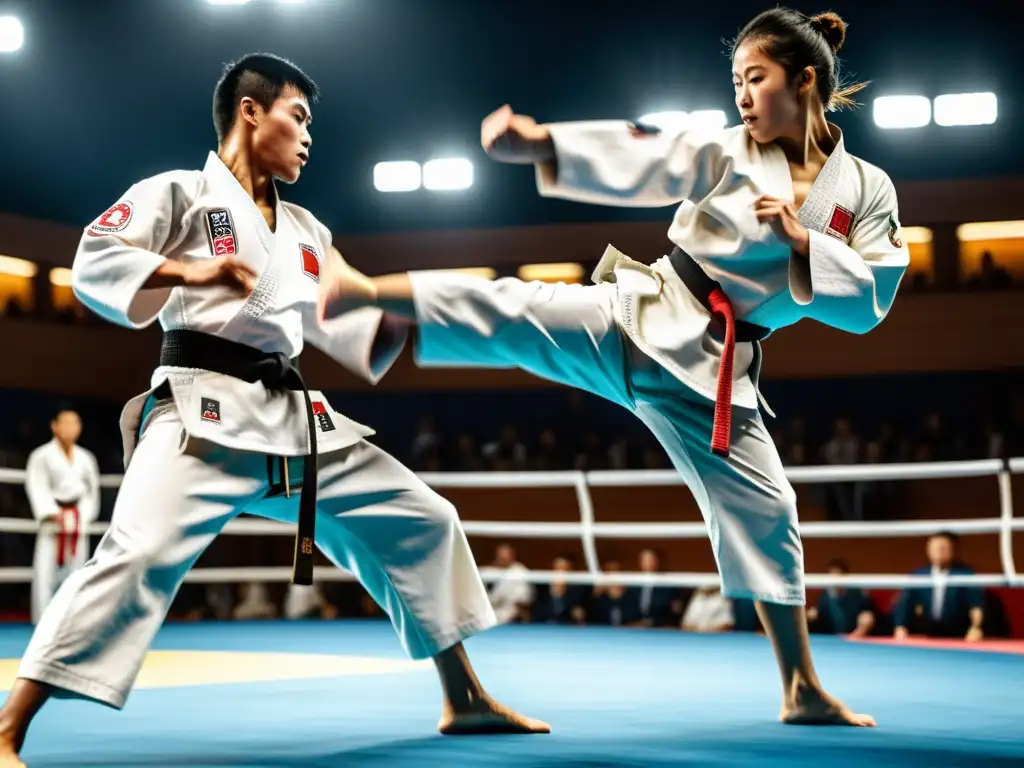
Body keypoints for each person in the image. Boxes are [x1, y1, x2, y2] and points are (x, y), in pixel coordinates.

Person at [320, 8, 910, 727]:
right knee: (517, 309)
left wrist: (797, 240)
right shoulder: (727, 151)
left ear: (806, 80)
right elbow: (648, 152)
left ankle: (801, 688)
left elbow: (872, 297)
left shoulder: (866, 189)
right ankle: (366, 293)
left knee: (771, 512)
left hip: (717, 372)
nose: (743, 97)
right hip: (645, 313)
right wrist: (543, 145)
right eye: (736, 83)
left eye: (756, 79)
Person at [0, 53, 547, 768]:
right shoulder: (181, 192)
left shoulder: (309, 233)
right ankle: (9, 726)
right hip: (199, 410)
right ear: (251, 111)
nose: (310, 135)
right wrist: (189, 269)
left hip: (292, 418)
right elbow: (97, 257)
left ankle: (463, 697)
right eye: (300, 115)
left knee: (423, 517)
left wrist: (424, 309)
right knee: (134, 554)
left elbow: (358, 334)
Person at [24, 407, 101, 625]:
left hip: (77, 518)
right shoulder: (41, 455)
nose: (70, 428)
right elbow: (36, 486)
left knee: (77, 570)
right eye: (65, 423)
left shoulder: (86, 458)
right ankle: (43, 621)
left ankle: (72, 621)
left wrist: (84, 514)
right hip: (53, 517)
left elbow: (91, 490)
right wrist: (50, 511)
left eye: (75, 423)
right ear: (54, 426)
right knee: (45, 570)